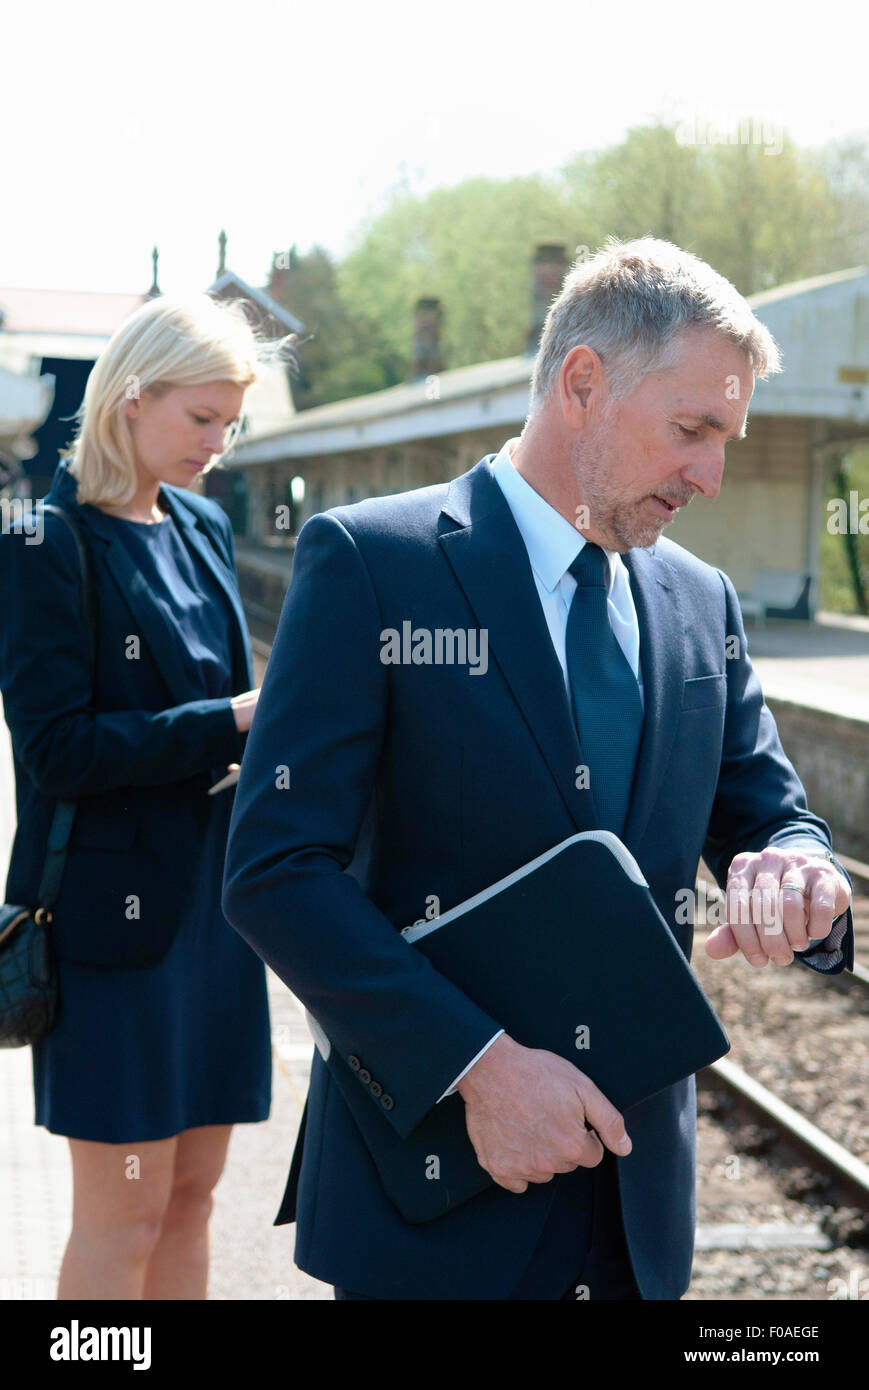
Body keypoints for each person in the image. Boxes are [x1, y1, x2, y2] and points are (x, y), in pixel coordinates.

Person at [221, 238, 854, 1302]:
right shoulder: (374, 564)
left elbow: (770, 813)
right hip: (430, 1215)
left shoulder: (702, 603)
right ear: (581, 383)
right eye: (691, 429)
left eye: (726, 440)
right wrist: (476, 1067)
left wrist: (796, 867)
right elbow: (275, 869)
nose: (709, 474)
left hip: (637, 1227)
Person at [0, 293, 280, 1299]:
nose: (220, 439)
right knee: (122, 1214)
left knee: (193, 1194)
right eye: (201, 417)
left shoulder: (199, 524)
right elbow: (56, 749)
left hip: (215, 908)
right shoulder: (46, 540)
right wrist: (231, 722)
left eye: (230, 419)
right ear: (128, 399)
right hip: (112, 928)